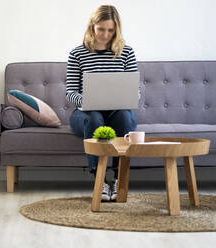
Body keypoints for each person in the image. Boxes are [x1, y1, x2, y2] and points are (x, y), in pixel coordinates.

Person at [66, 5, 139, 202]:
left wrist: (129, 98)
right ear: (92, 27)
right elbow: (70, 92)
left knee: (125, 115)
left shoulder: (126, 52)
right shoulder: (77, 53)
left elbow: (135, 92)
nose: (105, 34)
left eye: (110, 30)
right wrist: (87, 101)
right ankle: (99, 180)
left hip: (116, 111)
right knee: (94, 117)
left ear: (116, 30)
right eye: (101, 29)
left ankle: (117, 179)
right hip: (85, 113)